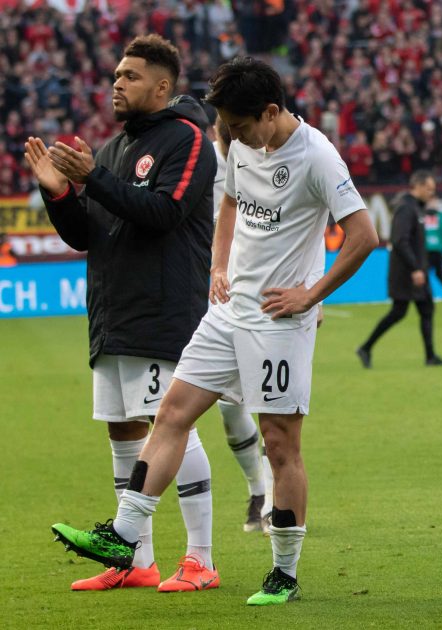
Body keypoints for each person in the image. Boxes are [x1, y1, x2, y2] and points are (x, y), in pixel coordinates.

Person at [48, 56, 379, 606]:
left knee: (280, 444)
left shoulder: (317, 155)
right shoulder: (237, 140)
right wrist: (218, 266)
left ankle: (284, 572)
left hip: (278, 320)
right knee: (172, 411)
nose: (231, 134)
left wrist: (311, 293)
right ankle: (125, 533)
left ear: (271, 112)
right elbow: (228, 202)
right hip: (226, 313)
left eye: (240, 124)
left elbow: (363, 234)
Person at [27, 35, 220, 593]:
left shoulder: (187, 140)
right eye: (116, 74)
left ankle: (201, 559)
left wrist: (96, 179)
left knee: (172, 424)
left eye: (130, 76)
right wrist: (59, 193)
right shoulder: (110, 150)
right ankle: (135, 561)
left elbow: (164, 213)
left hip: (162, 311)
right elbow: (86, 234)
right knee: (123, 429)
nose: (116, 83)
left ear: (162, 86)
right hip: (112, 313)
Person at [208, 107, 271, 534]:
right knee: (230, 409)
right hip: (212, 293)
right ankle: (257, 489)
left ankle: (272, 500)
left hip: (262, 294)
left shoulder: (266, 157)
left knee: (271, 403)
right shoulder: (202, 161)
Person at [357, 170, 442, 368]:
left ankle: (430, 356)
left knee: (426, 310)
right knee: (399, 312)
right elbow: (400, 240)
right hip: (406, 272)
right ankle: (365, 347)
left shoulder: (415, 208)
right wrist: (415, 268)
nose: (431, 193)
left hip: (416, 270)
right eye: (429, 188)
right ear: (417, 186)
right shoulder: (406, 209)